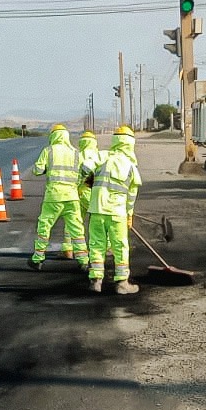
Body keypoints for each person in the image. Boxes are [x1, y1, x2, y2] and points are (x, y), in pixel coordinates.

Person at [86, 125, 141, 296]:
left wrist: (88, 180)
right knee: (120, 246)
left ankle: (96, 281)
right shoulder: (131, 166)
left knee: (96, 244)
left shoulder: (103, 156)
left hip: (97, 209)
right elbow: (131, 196)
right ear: (130, 143)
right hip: (117, 213)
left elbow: (85, 167)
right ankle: (122, 283)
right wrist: (129, 215)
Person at [28, 124, 88, 271]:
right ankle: (84, 261)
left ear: (53, 136)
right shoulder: (76, 153)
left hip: (53, 197)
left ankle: (37, 258)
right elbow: (86, 172)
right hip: (72, 197)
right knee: (77, 230)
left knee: (44, 227)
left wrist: (45, 169)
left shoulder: (48, 151)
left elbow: (37, 170)